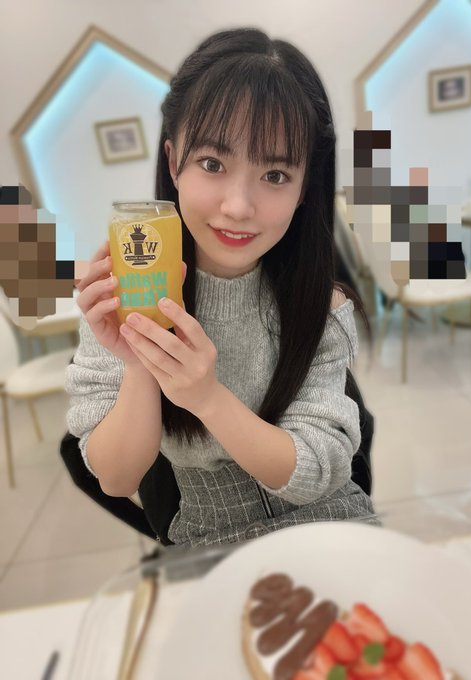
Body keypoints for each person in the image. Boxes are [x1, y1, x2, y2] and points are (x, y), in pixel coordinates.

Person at [65, 27, 375, 548]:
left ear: (304, 189)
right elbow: (116, 478)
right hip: (206, 533)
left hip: (328, 519)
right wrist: (140, 361)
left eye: (275, 175)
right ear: (173, 162)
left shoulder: (323, 307)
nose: (238, 206)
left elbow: (317, 474)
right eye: (212, 164)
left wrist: (207, 398)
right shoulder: (127, 295)